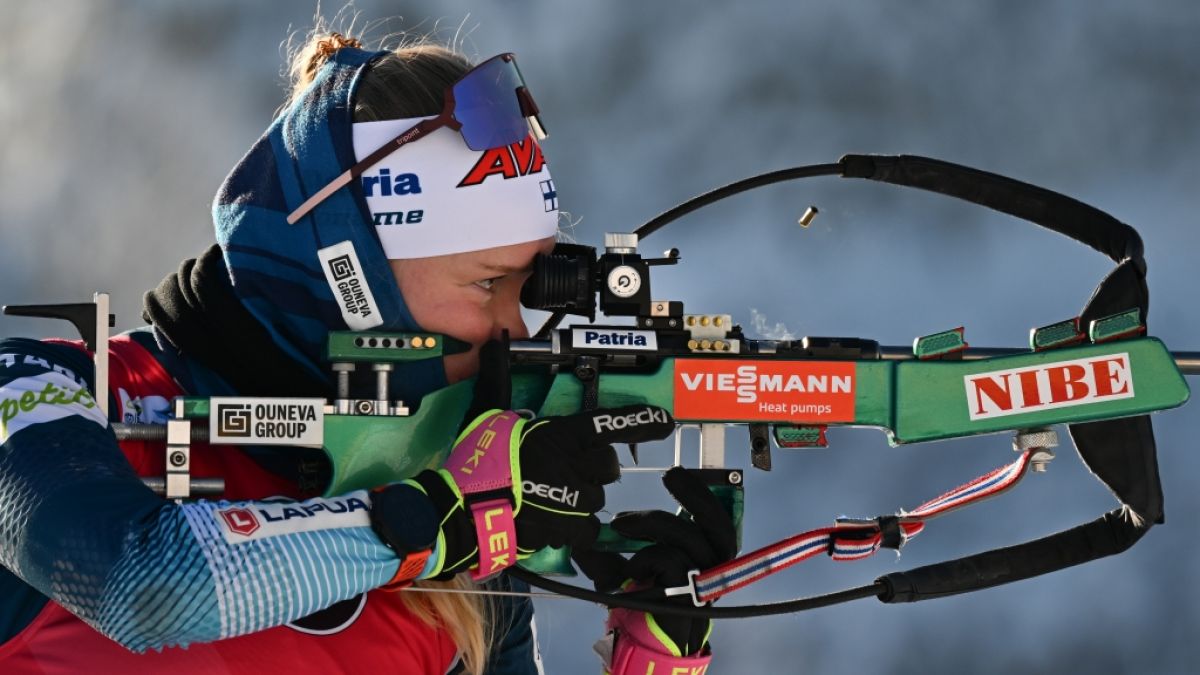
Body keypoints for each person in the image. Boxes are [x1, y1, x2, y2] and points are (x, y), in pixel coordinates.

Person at [0, 27, 731, 675]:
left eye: (528, 291)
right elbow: (144, 586)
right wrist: (440, 521)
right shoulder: (45, 390)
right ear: (349, 275)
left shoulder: (458, 536)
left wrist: (654, 651)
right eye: (488, 285)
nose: (517, 332)